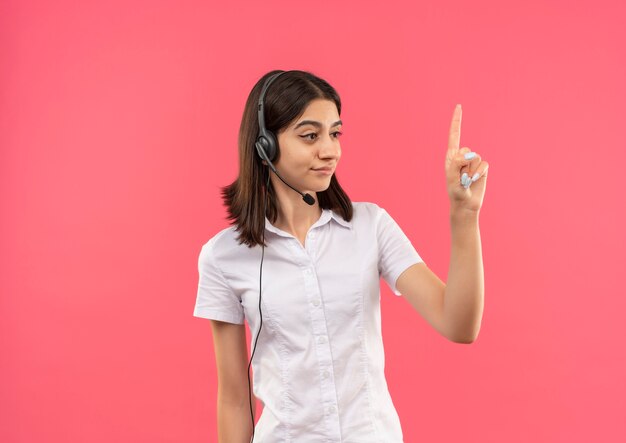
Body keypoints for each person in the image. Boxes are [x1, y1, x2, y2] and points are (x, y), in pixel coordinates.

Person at [194, 69, 488, 442]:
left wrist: (464, 216)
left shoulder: (372, 226)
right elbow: (235, 400)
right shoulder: (223, 257)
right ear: (265, 145)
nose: (330, 150)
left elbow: (459, 325)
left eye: (335, 133)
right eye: (310, 135)